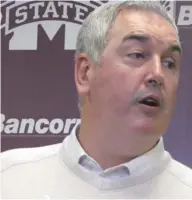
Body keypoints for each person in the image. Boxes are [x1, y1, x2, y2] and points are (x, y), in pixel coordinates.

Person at [1, 1, 192, 199]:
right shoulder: (8, 178)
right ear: (85, 72)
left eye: (169, 63)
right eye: (137, 55)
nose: (157, 74)